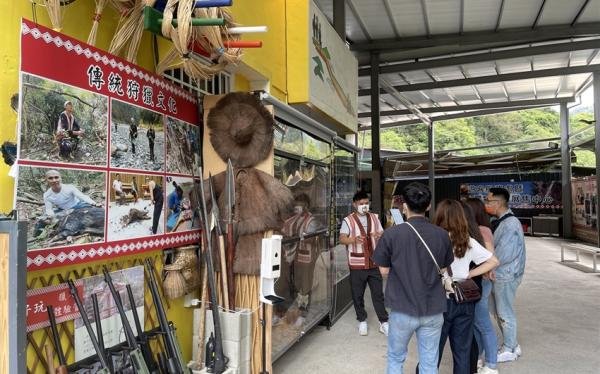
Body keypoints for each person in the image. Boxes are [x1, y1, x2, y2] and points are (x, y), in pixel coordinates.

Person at [373, 182, 453, 374]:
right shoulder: (442, 235)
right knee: (429, 362)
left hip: (402, 308)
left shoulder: (391, 234)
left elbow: (383, 271)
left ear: (404, 206)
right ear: (428, 207)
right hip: (433, 309)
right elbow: (443, 268)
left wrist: (403, 272)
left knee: (395, 358)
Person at [431, 200, 499, 374]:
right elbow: (493, 261)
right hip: (463, 299)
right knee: (462, 351)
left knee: (432, 351)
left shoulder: (433, 238)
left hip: (440, 299)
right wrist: (469, 274)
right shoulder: (466, 239)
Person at [485, 187, 526, 363]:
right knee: (500, 311)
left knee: (505, 312)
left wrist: (487, 266)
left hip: (505, 274)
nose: (486, 205)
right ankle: (512, 344)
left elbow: (504, 254)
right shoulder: (502, 221)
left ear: (498, 202)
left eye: (488, 201)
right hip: (500, 273)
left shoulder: (510, 224)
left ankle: (509, 348)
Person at [340, 191, 388, 337]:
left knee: (378, 294)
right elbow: (342, 239)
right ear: (354, 205)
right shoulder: (348, 220)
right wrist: (353, 240)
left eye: (366, 203)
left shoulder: (374, 218)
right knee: (357, 294)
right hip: (357, 263)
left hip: (374, 263)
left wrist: (380, 235)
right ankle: (362, 320)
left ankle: (384, 322)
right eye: (361, 204)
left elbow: (382, 233)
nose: (364, 206)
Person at [465, 198, 498, 374]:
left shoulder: (482, 230)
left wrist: (471, 273)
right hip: (477, 281)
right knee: (476, 323)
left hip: (481, 281)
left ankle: (492, 364)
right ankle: (477, 357)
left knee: (483, 323)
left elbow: (490, 258)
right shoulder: (477, 229)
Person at [282, 194, 322, 320]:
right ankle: (294, 311)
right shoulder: (291, 220)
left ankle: (303, 314)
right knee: (295, 283)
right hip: (293, 258)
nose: (297, 207)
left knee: (305, 285)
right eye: (296, 204)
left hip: (307, 257)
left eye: (300, 204)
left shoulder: (311, 220)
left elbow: (311, 238)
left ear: (306, 206)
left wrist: (299, 237)